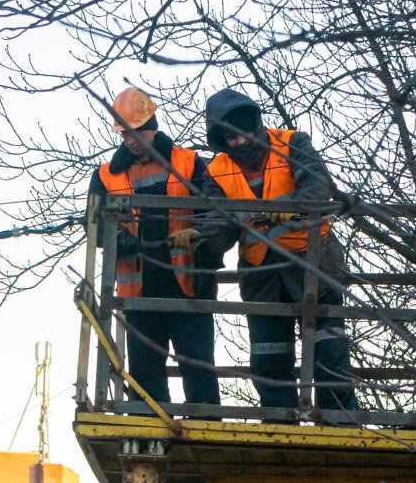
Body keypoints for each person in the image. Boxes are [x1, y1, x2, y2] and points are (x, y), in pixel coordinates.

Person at [199, 88, 358, 410]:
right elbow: (222, 225)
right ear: (221, 139)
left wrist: (286, 205)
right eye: (230, 137)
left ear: (255, 124)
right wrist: (200, 238)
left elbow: (318, 187)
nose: (240, 142)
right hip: (262, 272)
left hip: (315, 262)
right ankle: (279, 421)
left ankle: (339, 421)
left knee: (330, 351)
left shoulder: (293, 143)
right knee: (269, 355)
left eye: (243, 132)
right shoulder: (215, 170)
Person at [88, 87, 221, 407]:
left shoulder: (189, 162)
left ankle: (204, 424)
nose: (131, 140)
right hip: (140, 291)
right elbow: (93, 226)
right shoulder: (105, 176)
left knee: (198, 363)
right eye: (124, 134)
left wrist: (202, 246)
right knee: (145, 370)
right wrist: (120, 240)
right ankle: (149, 429)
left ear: (153, 125)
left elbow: (216, 213)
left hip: (187, 284)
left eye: (137, 131)